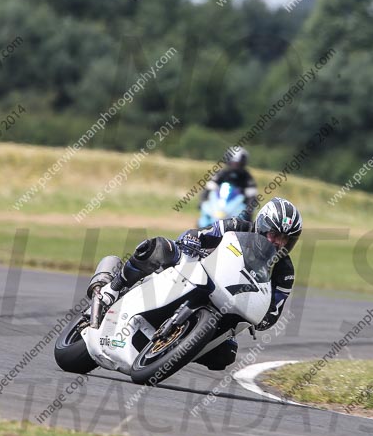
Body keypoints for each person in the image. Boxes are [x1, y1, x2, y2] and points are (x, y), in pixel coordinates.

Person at [98, 197, 302, 370]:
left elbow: (274, 310)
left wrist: (262, 318)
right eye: (274, 235)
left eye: (285, 239)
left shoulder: (284, 272)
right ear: (261, 226)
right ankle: (113, 288)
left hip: (228, 305)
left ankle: (175, 348)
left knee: (225, 356)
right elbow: (200, 234)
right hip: (196, 271)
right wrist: (192, 239)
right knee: (159, 247)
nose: (278, 243)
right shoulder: (237, 226)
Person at [201, 147, 258, 220]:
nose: (235, 165)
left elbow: (252, 195)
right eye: (233, 163)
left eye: (238, 164)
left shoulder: (247, 177)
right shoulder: (221, 173)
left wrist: (249, 212)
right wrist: (202, 200)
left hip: (237, 206)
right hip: (219, 202)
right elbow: (210, 187)